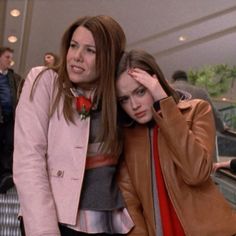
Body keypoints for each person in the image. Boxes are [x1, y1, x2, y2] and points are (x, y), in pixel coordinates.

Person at [13, 15, 136, 236]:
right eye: (73, 46)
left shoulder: (118, 95)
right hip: (56, 221)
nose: (77, 56)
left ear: (110, 58)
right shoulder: (45, 81)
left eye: (91, 50)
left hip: (109, 222)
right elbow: (29, 160)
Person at [116, 50, 236, 236]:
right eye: (124, 99)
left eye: (140, 91)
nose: (134, 105)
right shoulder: (127, 136)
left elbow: (196, 173)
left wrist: (165, 103)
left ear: (156, 83)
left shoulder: (196, 110)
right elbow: (129, 202)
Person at [0, 46, 22, 194]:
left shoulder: (14, 77)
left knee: (8, 146)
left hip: (10, 119)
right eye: (7, 57)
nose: (10, 60)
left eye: (10, 57)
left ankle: (5, 178)